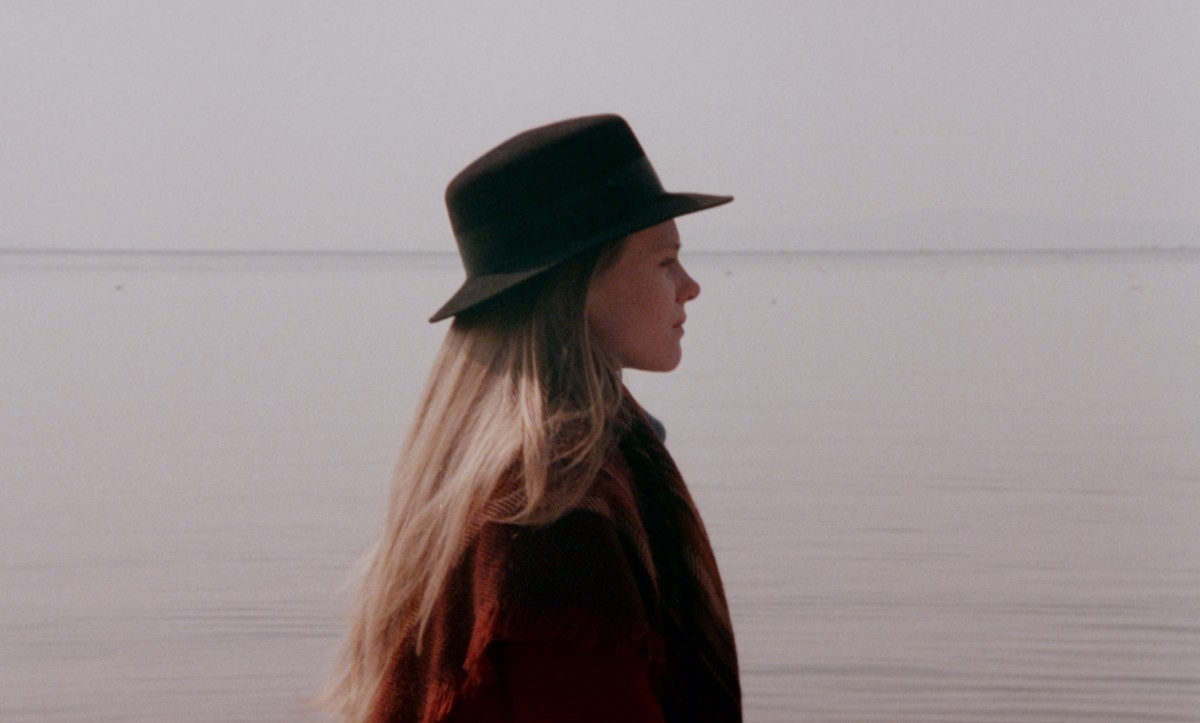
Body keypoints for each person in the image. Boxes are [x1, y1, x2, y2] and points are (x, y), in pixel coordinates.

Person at [321, 114, 740, 722]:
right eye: (665, 260)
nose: (690, 286)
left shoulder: (493, 469)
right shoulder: (556, 508)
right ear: (580, 283)